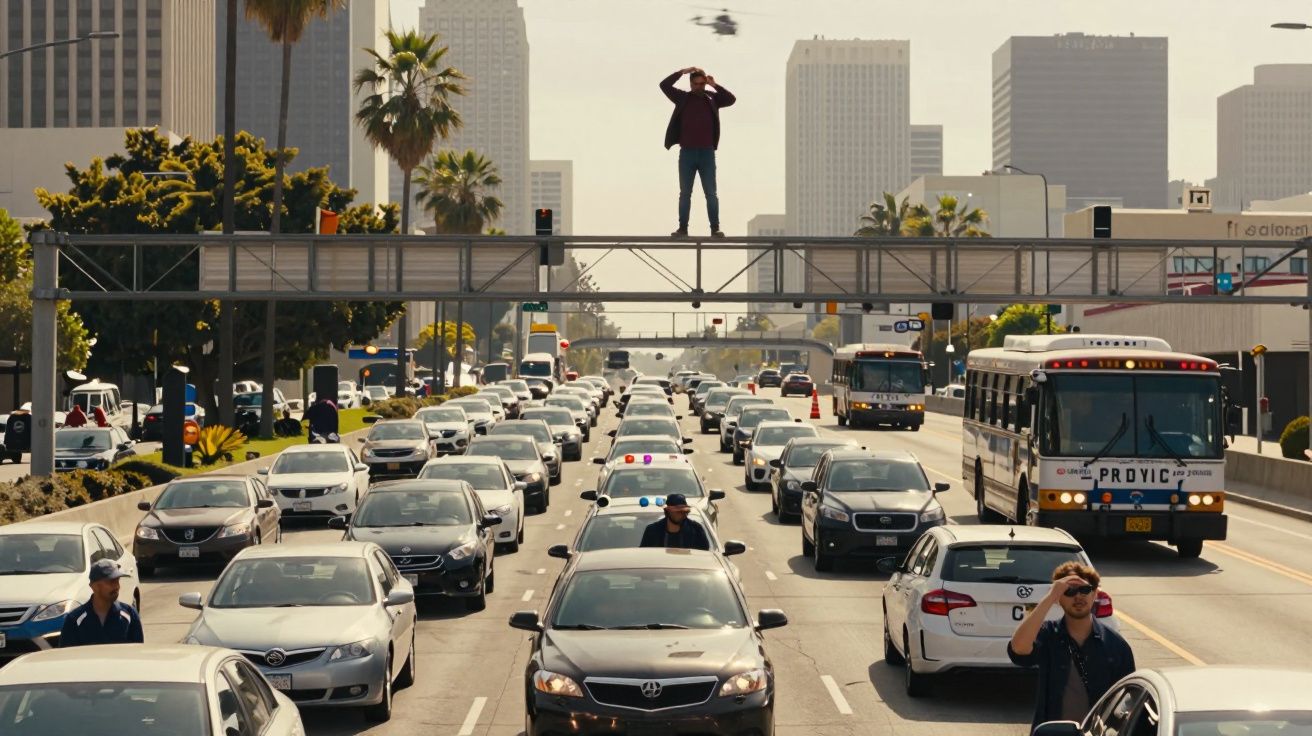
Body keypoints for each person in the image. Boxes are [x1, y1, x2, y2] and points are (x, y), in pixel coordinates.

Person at [1008, 562, 1135, 731]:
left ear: (1095, 594)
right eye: (1069, 591)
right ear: (1059, 599)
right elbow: (1019, 649)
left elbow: (1129, 702)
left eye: (1085, 590)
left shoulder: (1116, 646)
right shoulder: (1048, 635)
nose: (1078, 596)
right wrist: (1051, 596)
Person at [660, 66, 736, 238]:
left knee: (711, 193)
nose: (699, 87)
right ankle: (683, 228)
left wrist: (714, 85)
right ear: (691, 84)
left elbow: (731, 99)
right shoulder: (682, 98)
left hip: (707, 154)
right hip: (687, 153)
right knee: (685, 193)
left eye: (702, 84)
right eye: (696, 84)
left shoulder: (712, 99)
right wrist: (682, 72)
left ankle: (715, 228)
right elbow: (664, 85)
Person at [60, 559, 144, 647]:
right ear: (95, 587)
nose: (117, 586)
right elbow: (66, 657)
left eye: (118, 581)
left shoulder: (130, 615)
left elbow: (138, 654)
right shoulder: (74, 620)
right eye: (111, 582)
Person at [639, 494, 711, 550]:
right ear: (667, 511)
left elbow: (704, 554)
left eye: (684, 512)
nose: (682, 515)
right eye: (678, 512)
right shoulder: (652, 530)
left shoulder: (696, 529)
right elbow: (645, 555)